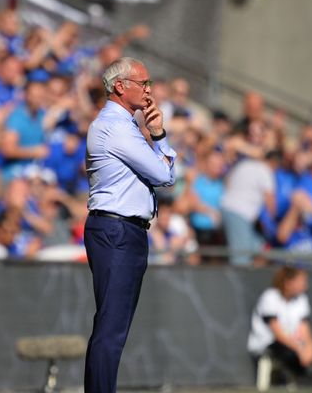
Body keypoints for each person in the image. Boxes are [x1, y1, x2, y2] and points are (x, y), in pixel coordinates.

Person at [84, 57, 176, 393]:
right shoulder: (116, 127)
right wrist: (160, 137)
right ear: (120, 87)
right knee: (111, 329)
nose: (149, 90)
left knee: (113, 326)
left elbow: (165, 174)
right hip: (117, 230)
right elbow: (165, 174)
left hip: (123, 230)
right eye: (144, 83)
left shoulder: (120, 126)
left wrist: (156, 138)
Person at [248, 266, 312, 386]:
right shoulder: (270, 297)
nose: (305, 285)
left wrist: (310, 348)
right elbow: (278, 333)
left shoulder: (301, 299)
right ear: (288, 283)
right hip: (270, 344)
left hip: (294, 344)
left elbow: (304, 328)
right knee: (290, 353)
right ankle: (306, 381)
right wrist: (300, 350)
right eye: (301, 281)